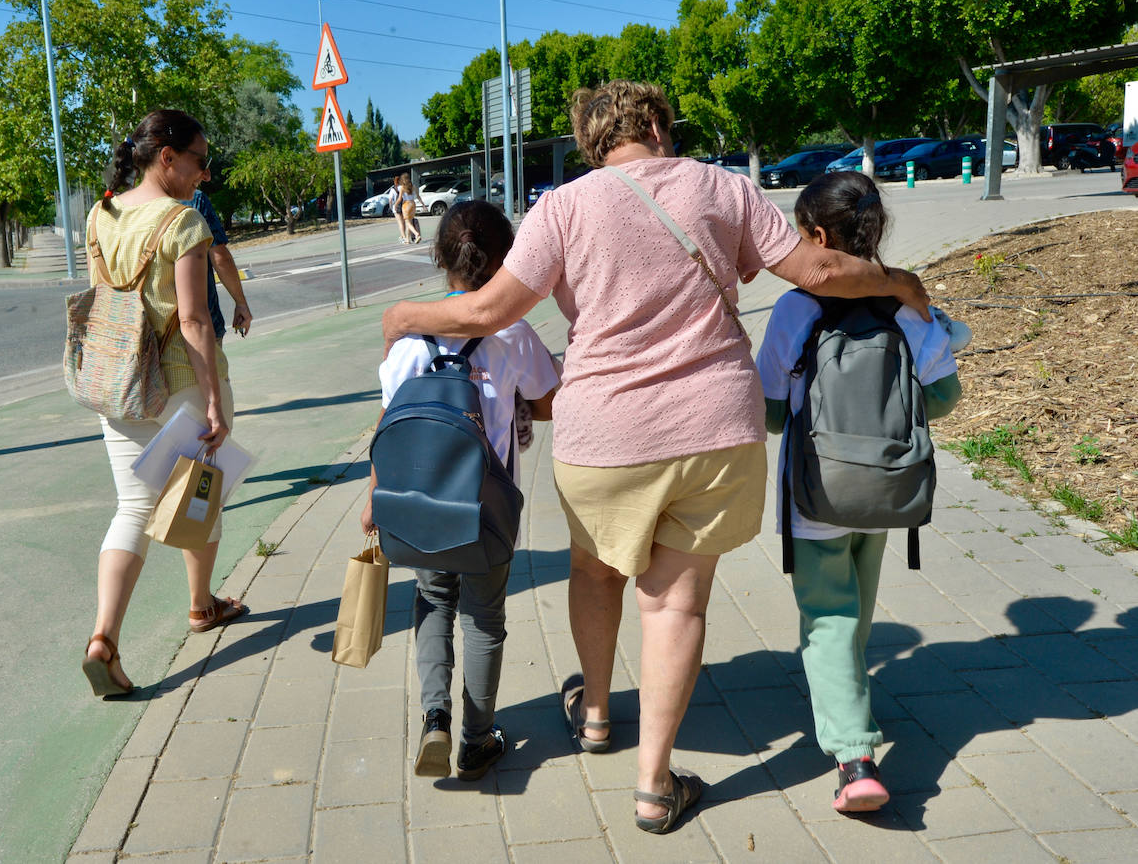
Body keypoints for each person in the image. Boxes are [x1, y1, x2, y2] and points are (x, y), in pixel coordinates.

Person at [381, 80, 931, 834]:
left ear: (591, 141)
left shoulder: (563, 207)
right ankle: (653, 785)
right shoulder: (722, 187)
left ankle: (599, 714)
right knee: (676, 603)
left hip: (602, 436)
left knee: (594, 570)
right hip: (713, 429)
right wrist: (903, 282)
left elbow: (488, 311)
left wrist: (405, 315)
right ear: (657, 124)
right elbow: (822, 272)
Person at [755, 172, 962, 813]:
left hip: (816, 491)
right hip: (886, 489)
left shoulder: (796, 309)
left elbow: (766, 410)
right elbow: (945, 398)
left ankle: (854, 756)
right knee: (859, 598)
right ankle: (845, 691)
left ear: (817, 238)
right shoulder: (909, 305)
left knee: (828, 615)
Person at [361, 200, 560, 781]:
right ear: (506, 260)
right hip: (486, 507)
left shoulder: (406, 340)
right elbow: (547, 400)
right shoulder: (514, 334)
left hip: (419, 505)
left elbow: (387, 425)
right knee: (483, 617)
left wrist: (375, 496)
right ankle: (477, 739)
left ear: (440, 259)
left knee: (432, 601)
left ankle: (434, 719)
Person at [80, 109, 247, 699]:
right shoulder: (183, 223)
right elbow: (196, 319)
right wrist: (213, 403)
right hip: (178, 380)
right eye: (201, 161)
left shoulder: (102, 213)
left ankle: (104, 637)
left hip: (120, 381)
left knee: (133, 508)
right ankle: (201, 606)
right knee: (203, 488)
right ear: (168, 158)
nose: (206, 174)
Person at [183, 187, 254, 340]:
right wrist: (241, 303)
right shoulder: (194, 199)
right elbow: (220, 257)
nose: (207, 177)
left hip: (154, 330)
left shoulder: (129, 204)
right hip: (201, 326)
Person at [398, 173, 425, 244]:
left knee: (407, 222)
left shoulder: (402, 188)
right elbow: (418, 196)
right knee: (409, 222)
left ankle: (416, 234)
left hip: (406, 205)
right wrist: (423, 205)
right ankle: (407, 239)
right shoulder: (413, 187)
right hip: (413, 204)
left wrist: (395, 205)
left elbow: (400, 198)